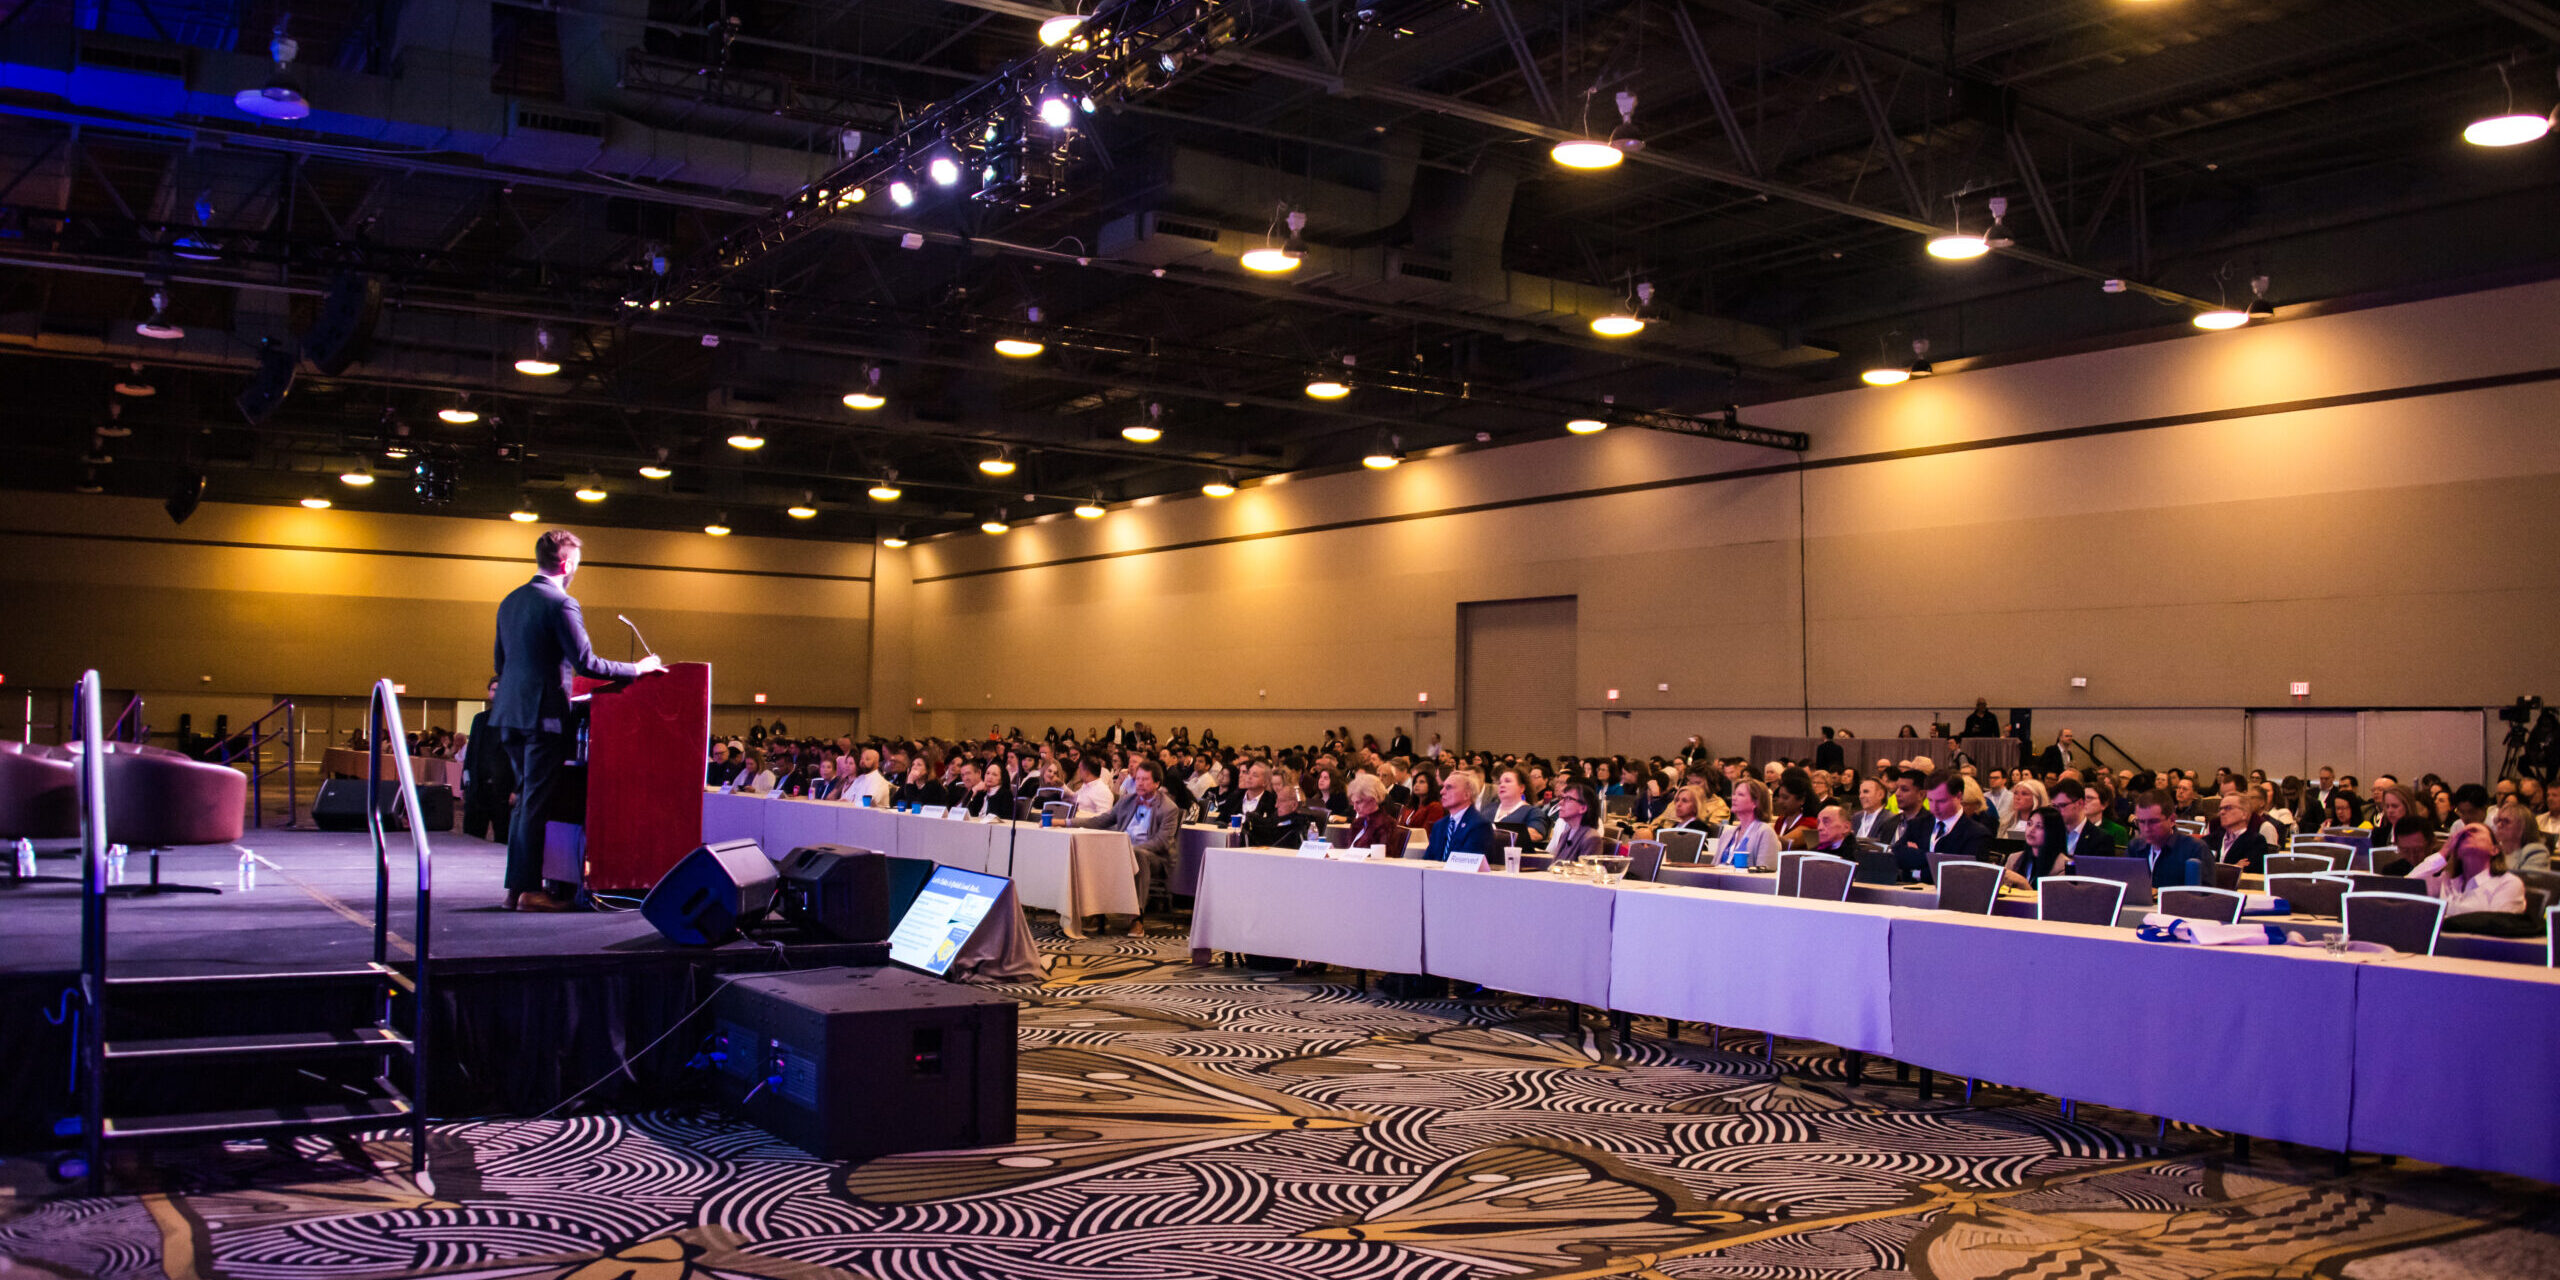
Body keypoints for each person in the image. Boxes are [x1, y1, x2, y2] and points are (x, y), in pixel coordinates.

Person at [490, 529, 660, 912]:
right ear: (566, 564)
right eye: (578, 564)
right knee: (534, 804)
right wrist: (639, 667)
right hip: (542, 717)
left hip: (509, 714)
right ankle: (529, 892)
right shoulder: (562, 603)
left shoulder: (510, 601)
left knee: (523, 803)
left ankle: (515, 890)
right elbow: (588, 663)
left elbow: (500, 664)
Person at [1071, 759, 1178, 935]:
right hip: (1122, 848)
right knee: (1095, 850)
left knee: (1138, 855)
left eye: (1145, 780)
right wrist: (1067, 822)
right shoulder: (1128, 800)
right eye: (1138, 779)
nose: (1140, 783)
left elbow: (1162, 842)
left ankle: (1137, 918)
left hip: (1154, 855)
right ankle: (1094, 910)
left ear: (1157, 783)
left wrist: (1128, 850)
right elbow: (1102, 820)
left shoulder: (1168, 808)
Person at [2400, 821, 2526, 917]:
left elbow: (2498, 927)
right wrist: (2443, 852)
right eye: (2462, 836)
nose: (2467, 835)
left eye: (2475, 831)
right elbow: (2405, 888)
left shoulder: (2507, 883)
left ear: (2494, 849)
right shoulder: (2446, 881)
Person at [1890, 768, 1987, 884]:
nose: (1934, 808)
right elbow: (1896, 854)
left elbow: (1960, 876)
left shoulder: (1976, 834)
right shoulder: (1917, 824)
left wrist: (1916, 865)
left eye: (1941, 801)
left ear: (1959, 796)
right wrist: (1935, 858)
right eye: (1931, 800)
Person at [460, 677, 513, 843]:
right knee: (471, 837)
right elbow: (471, 754)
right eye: (493, 690)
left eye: (499, 690)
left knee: (503, 838)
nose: (495, 694)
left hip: (503, 791)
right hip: (478, 789)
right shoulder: (479, 719)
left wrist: (517, 789)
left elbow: (519, 758)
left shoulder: (514, 720)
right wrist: (465, 785)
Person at [2128, 791, 2210, 889]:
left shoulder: (2195, 849)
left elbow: (2205, 897)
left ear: (2172, 820)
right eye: (2141, 822)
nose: (2146, 829)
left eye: (2153, 822)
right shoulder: (2134, 847)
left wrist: (2162, 894)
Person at [1421, 772, 1492, 862]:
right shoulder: (1439, 825)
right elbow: (1427, 860)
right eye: (1443, 787)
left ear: (1467, 794)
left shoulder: (1479, 826)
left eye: (1449, 787)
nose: (1442, 792)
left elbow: (1468, 865)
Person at [1709, 779, 1779, 869]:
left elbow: (1766, 873)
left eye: (1740, 795)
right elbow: (1713, 867)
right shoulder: (1727, 833)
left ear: (1755, 802)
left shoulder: (1765, 832)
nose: (1734, 798)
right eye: (1734, 794)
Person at [1340, 774, 1409, 858]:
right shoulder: (1358, 823)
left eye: (1358, 802)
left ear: (1372, 800)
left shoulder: (1386, 825)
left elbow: (1384, 859)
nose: (1354, 808)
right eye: (1353, 803)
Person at [2003, 805, 2069, 890]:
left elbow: (2052, 901)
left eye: (2039, 826)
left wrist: (2023, 883)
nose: (2031, 829)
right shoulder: (2014, 859)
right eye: (2029, 824)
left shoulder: (2063, 867)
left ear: (2052, 832)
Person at [2050, 779, 2116, 859]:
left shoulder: (2101, 839)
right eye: (2054, 806)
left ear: (2080, 803)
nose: (2057, 811)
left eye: (2062, 805)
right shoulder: (2049, 832)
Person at [1485, 766, 1551, 844]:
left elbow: (1536, 834)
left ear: (1522, 788)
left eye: (1507, 781)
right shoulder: (1488, 808)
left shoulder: (1532, 812)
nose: (1502, 785)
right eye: (1500, 782)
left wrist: (1496, 833)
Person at [2204, 792, 2270, 870]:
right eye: (2221, 809)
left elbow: (2248, 871)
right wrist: (2234, 868)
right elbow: (2202, 869)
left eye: (2228, 808)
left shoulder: (2256, 841)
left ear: (2244, 814)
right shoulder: (2209, 840)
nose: (2222, 812)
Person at [1547, 784, 1606, 864]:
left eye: (1567, 799)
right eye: (1562, 798)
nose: (1560, 803)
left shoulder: (1591, 838)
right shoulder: (1565, 834)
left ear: (1583, 808)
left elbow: (1587, 873)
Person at [2490, 799, 2551, 874]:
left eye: (2506, 821)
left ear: (2523, 827)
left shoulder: (2535, 852)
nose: (2499, 825)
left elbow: (2529, 883)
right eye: (2498, 821)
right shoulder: (2495, 850)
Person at [1849, 776, 1898, 843]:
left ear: (1880, 795)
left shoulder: (1890, 819)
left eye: (1866, 792)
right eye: (1860, 792)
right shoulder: (1856, 817)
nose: (1861, 796)